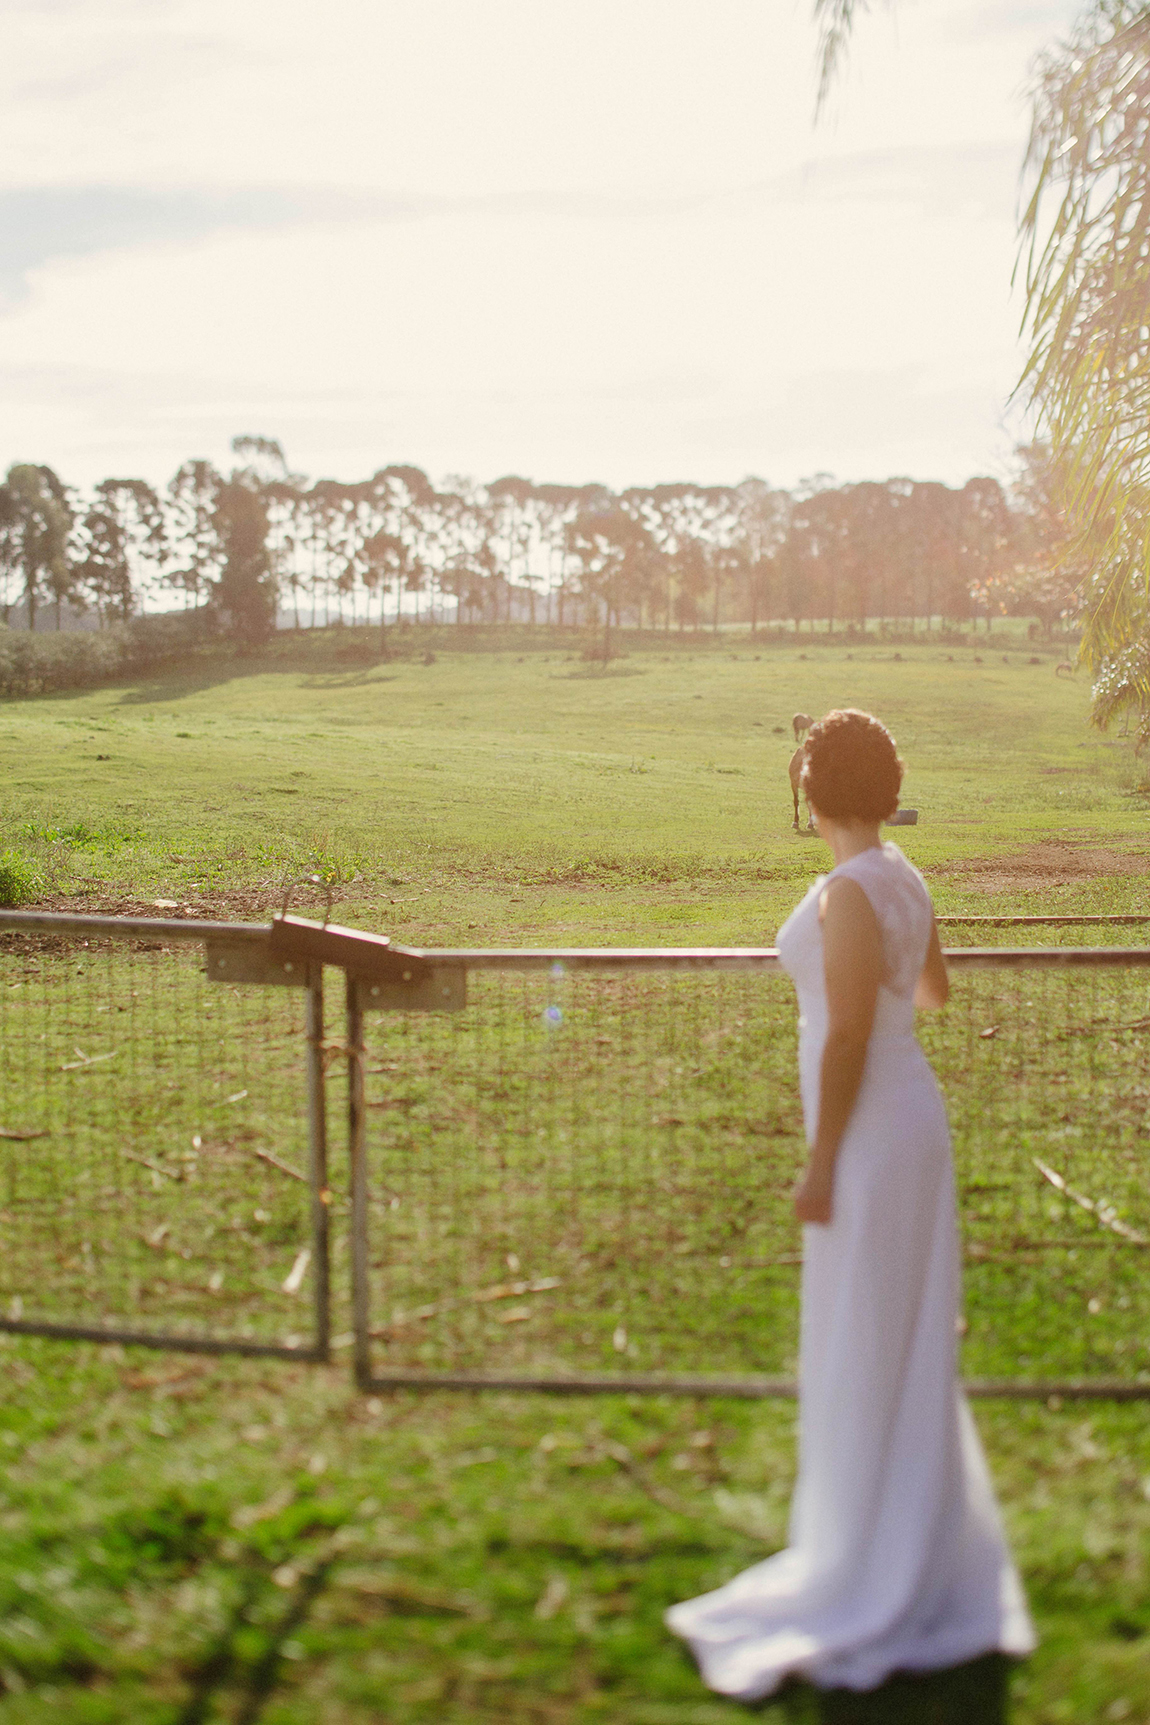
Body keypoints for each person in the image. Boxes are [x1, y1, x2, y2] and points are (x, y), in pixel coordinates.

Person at [666, 708, 1035, 1701]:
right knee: (902, 1333)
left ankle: (870, 1564)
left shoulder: (847, 891)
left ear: (809, 790)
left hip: (871, 1135)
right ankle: (902, 1541)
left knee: (865, 1336)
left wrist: (819, 1162)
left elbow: (842, 1041)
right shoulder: (900, 874)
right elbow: (935, 997)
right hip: (914, 1118)